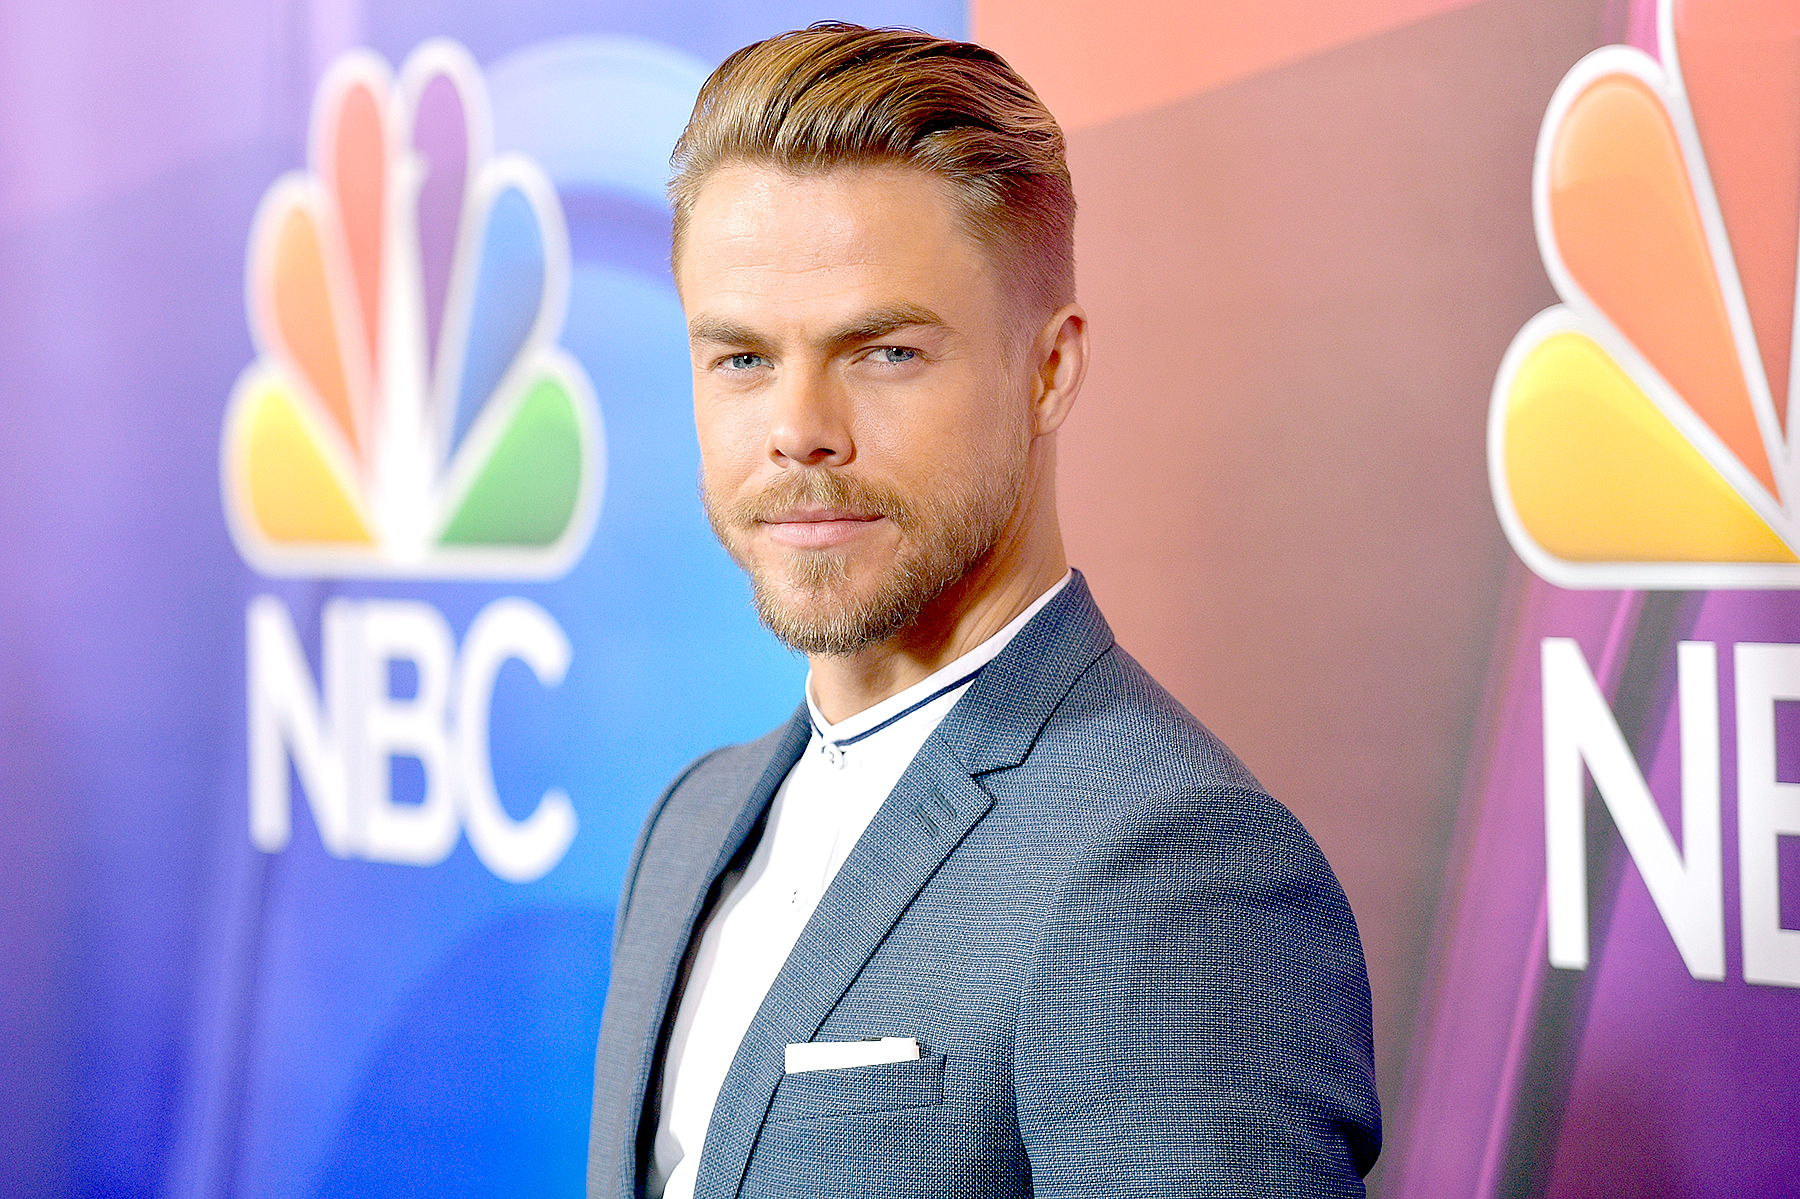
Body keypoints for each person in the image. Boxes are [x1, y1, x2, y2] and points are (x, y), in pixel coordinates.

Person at [587, 23, 1380, 1199]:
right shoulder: (691, 824)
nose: (799, 425)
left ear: (1048, 369)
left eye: (884, 351)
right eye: (742, 358)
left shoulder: (1177, 874)